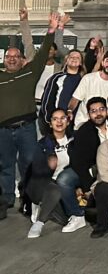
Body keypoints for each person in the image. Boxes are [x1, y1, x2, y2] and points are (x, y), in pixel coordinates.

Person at [0, 11, 58, 213]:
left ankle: (27, 199)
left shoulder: (30, 73)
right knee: (5, 166)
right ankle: (6, 199)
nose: (12, 59)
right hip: (3, 130)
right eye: (9, 57)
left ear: (22, 60)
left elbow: (42, 54)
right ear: (4, 59)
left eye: (16, 57)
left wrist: (51, 30)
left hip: (26, 128)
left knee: (28, 165)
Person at [24, 109, 86, 238]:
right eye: (55, 119)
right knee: (54, 191)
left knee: (65, 219)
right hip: (47, 182)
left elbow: (81, 164)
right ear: (50, 123)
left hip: (67, 182)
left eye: (62, 118)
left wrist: (80, 186)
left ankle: (44, 206)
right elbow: (36, 172)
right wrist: (48, 166)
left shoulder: (75, 139)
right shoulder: (43, 144)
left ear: (68, 121)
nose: (59, 122)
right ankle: (39, 222)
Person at [68, 49, 108, 129]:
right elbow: (75, 99)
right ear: (102, 62)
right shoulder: (88, 78)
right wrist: (69, 111)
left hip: (104, 126)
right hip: (83, 123)